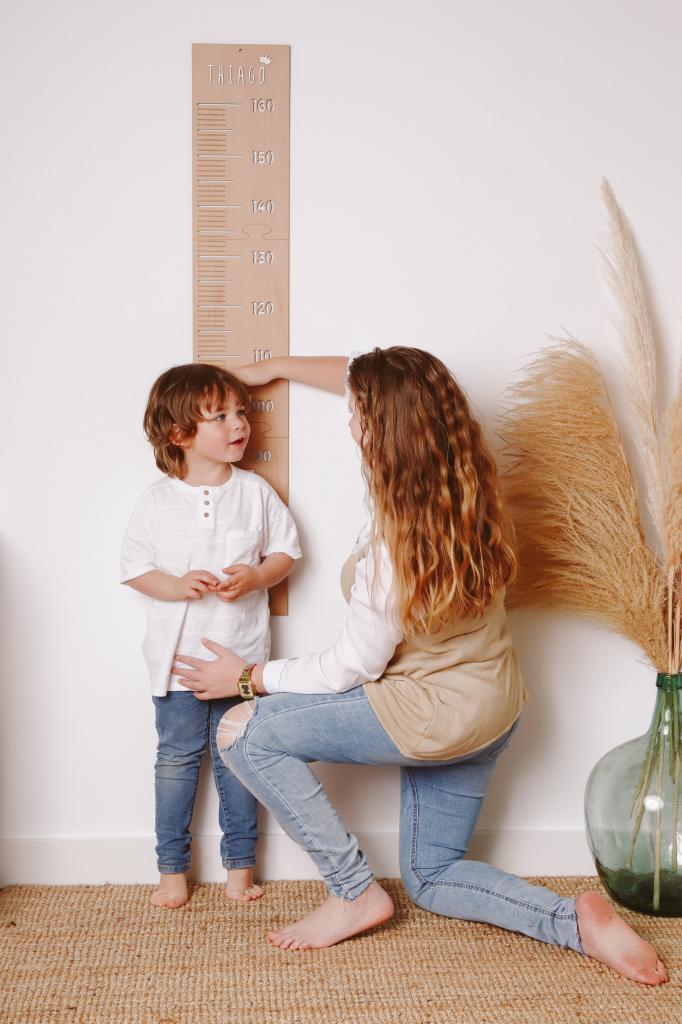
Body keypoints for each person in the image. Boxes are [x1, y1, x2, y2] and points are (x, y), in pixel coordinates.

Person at [172, 348, 668, 985]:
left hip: (427, 718)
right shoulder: (472, 489)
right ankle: (575, 922)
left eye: (358, 414)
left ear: (381, 431)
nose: (349, 419)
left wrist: (248, 678)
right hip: (492, 711)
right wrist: (278, 366)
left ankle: (353, 890)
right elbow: (366, 373)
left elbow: (348, 668)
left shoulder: (392, 549)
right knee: (432, 877)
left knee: (243, 731)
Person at [121, 363, 301, 909]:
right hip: (174, 665)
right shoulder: (157, 500)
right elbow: (133, 568)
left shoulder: (255, 492)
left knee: (237, 760)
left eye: (241, 412)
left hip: (241, 662)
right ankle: (171, 869)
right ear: (180, 434)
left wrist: (258, 576)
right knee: (175, 761)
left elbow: (287, 552)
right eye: (220, 416)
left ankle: (239, 868)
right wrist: (175, 585)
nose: (239, 424)